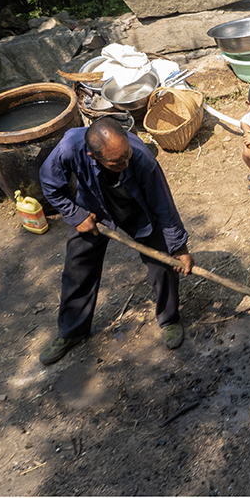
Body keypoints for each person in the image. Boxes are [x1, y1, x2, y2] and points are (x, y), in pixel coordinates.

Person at [37, 118, 193, 365]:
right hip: (92, 209)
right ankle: (72, 332)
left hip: (136, 206)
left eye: (126, 156)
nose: (125, 163)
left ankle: (170, 319)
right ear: (92, 155)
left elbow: (164, 207)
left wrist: (179, 248)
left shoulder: (141, 159)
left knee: (163, 261)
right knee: (77, 268)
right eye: (116, 162)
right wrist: (76, 215)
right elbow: (49, 182)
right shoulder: (69, 148)